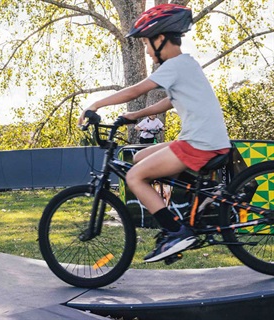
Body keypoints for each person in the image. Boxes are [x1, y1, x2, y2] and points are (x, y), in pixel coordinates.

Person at [77, 4, 231, 262]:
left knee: (135, 177)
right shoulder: (185, 65)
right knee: (139, 159)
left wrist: (96, 104)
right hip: (201, 139)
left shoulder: (175, 65)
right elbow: (170, 101)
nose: (147, 51)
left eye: (148, 44)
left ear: (161, 38)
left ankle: (175, 230)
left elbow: (135, 90)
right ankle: (198, 202)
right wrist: (134, 115)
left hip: (199, 143)